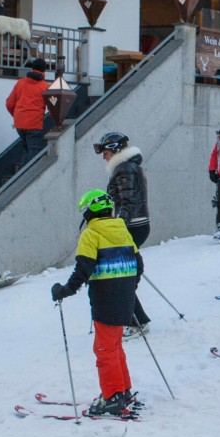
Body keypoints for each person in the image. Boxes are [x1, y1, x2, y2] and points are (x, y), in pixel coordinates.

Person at [50, 189, 143, 418]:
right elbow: (138, 264)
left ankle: (112, 397)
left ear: (88, 212)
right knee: (115, 346)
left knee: (104, 349)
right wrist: (129, 288)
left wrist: (65, 290)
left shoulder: (91, 234)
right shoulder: (122, 229)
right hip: (125, 297)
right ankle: (123, 390)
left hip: (105, 299)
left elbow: (84, 268)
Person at [96, 131, 152, 340]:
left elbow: (128, 202)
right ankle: (137, 319)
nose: (104, 156)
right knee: (122, 276)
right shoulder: (129, 167)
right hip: (136, 225)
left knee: (119, 278)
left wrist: (118, 226)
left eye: (106, 151)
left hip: (132, 227)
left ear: (117, 150)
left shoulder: (125, 170)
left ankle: (137, 322)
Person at [5, 57, 50, 164]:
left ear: (32, 69)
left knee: (26, 151)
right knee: (34, 156)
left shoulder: (20, 83)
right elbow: (54, 106)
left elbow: (9, 104)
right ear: (44, 71)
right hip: (34, 124)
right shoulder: (45, 86)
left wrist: (17, 115)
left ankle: (21, 176)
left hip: (20, 124)